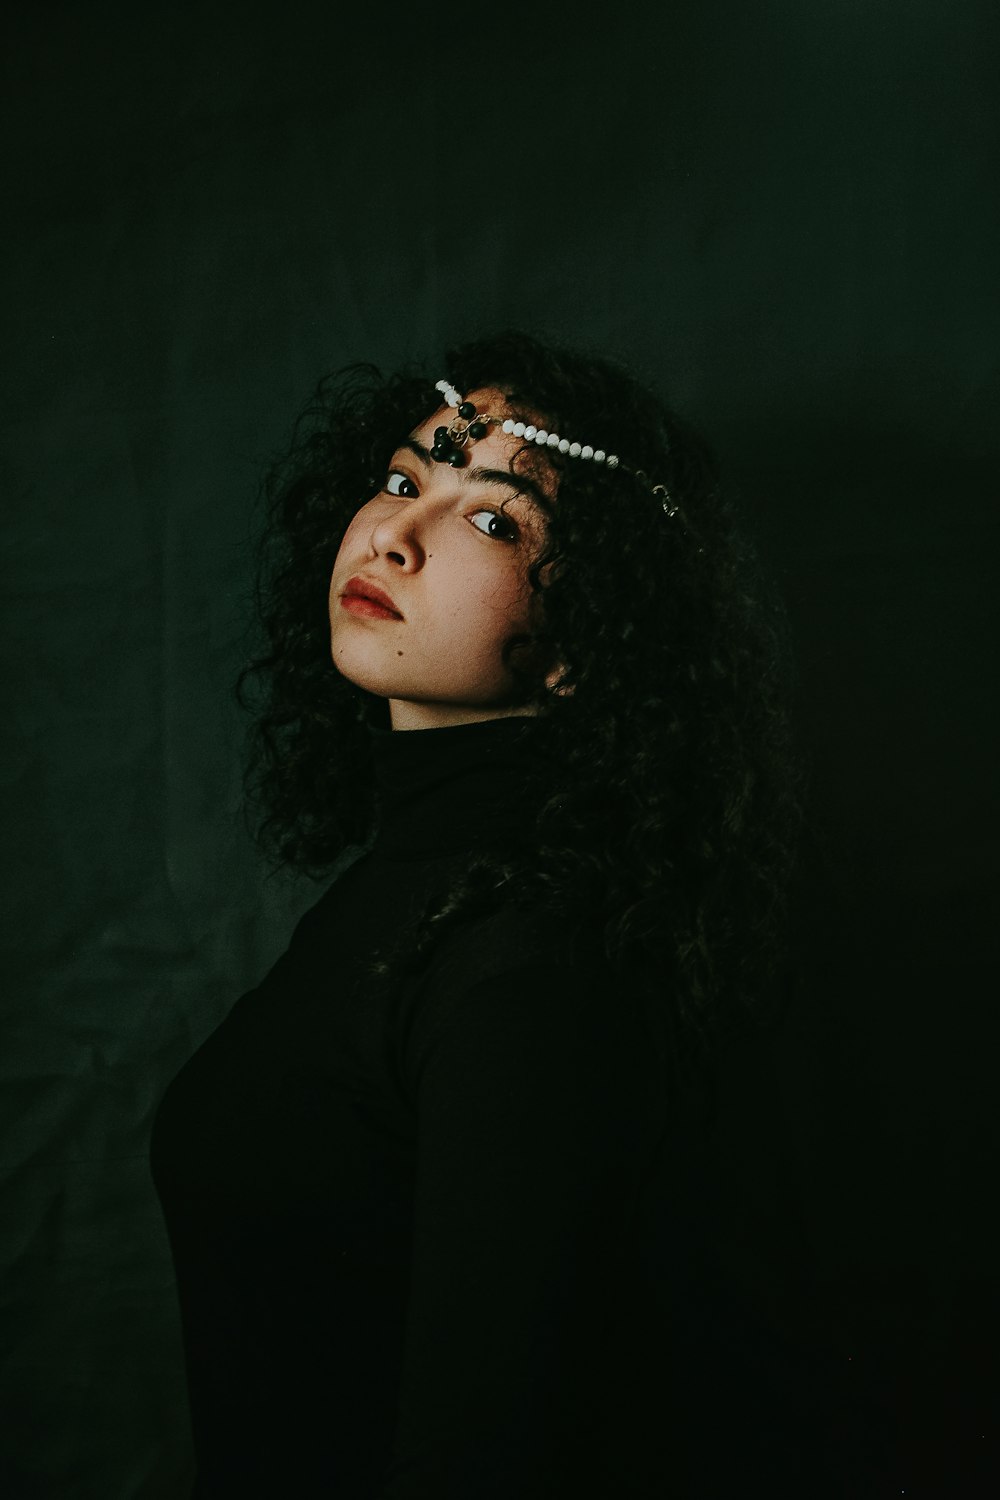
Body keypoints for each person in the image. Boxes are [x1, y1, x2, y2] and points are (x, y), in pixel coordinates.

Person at [150, 328, 842, 1496]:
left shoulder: (525, 954)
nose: (394, 535)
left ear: (585, 639)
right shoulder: (417, 888)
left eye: (491, 520)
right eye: (404, 478)